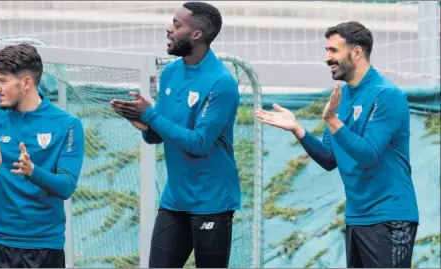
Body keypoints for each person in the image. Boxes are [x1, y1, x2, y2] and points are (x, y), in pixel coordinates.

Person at [255, 21, 419, 268]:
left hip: (389, 218)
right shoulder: (342, 97)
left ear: (356, 53)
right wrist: (298, 130)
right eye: (326, 50)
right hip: (356, 218)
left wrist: (332, 122)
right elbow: (330, 158)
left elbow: (368, 155)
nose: (326, 58)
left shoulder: (387, 95)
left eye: (333, 50)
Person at [110, 2, 240, 268]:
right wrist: (144, 126)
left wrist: (151, 117)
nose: (168, 29)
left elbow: (199, 143)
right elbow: (160, 134)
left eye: (177, 25)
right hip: (175, 199)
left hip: (212, 201)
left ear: (197, 35)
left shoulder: (221, 82)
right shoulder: (169, 73)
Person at [0, 43, 84, 268]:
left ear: (26, 83)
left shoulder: (67, 125)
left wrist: (33, 172)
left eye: (3, 81)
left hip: (45, 246)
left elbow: (66, 186)